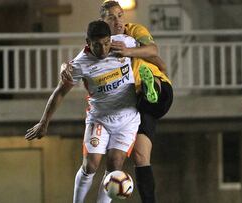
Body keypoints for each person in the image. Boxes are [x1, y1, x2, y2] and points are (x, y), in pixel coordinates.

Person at [62, 1, 173, 202]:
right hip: (133, 105)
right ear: (102, 22)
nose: (119, 21)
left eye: (121, 15)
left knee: (152, 90)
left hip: (155, 91)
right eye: (112, 18)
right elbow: (80, 60)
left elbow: (156, 56)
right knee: (140, 156)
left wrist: (129, 52)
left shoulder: (132, 33)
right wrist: (65, 66)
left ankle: (152, 85)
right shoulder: (100, 44)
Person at [25, 20, 140, 203]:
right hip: (99, 119)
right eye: (97, 45)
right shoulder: (80, 64)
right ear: (88, 42)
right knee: (91, 164)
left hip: (127, 119)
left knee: (115, 164)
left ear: (111, 39)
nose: (103, 49)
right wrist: (44, 122)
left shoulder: (124, 43)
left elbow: (151, 50)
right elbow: (59, 93)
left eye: (106, 43)